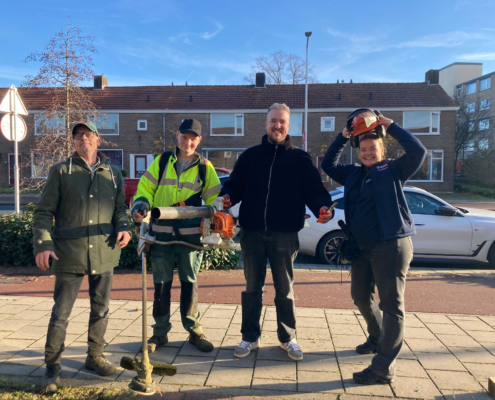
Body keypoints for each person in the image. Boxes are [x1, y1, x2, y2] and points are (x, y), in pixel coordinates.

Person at [218, 103, 333, 361]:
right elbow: (235, 186)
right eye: (273, 121)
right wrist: (227, 197)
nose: (277, 126)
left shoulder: (301, 159)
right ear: (266, 124)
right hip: (252, 233)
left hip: (285, 235)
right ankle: (250, 337)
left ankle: (288, 338)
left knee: (285, 289)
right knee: (252, 289)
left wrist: (322, 208)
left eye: (282, 122)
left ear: (288, 126)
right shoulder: (249, 157)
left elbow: (314, 192)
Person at [321, 109, 427, 384]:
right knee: (359, 295)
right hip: (361, 248)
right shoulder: (354, 175)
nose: (368, 153)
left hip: (390, 245)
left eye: (373, 148)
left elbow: (418, 152)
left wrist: (391, 126)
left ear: (382, 149)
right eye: (364, 149)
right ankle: (377, 336)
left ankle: (382, 367)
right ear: (359, 152)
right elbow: (329, 165)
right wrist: (343, 136)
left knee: (391, 305)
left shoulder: (393, 169)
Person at [33, 121, 131, 394]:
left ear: (98, 140)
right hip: (69, 252)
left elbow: (120, 209)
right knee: (61, 313)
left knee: (101, 308)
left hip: (104, 249)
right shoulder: (61, 171)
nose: (83, 139)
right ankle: (52, 367)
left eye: (88, 135)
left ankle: (94, 356)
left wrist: (124, 227)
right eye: (78, 136)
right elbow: (43, 212)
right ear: (74, 143)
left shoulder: (113, 173)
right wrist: (43, 244)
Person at [132, 118, 222, 354]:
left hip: (190, 238)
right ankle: (160, 334)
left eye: (193, 139)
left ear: (199, 141)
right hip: (160, 236)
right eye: (185, 137)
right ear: (177, 136)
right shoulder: (161, 162)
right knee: (161, 286)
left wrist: (220, 218)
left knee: (189, 284)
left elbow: (215, 199)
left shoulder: (205, 167)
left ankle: (194, 331)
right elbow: (145, 188)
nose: (188, 142)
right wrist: (140, 205)